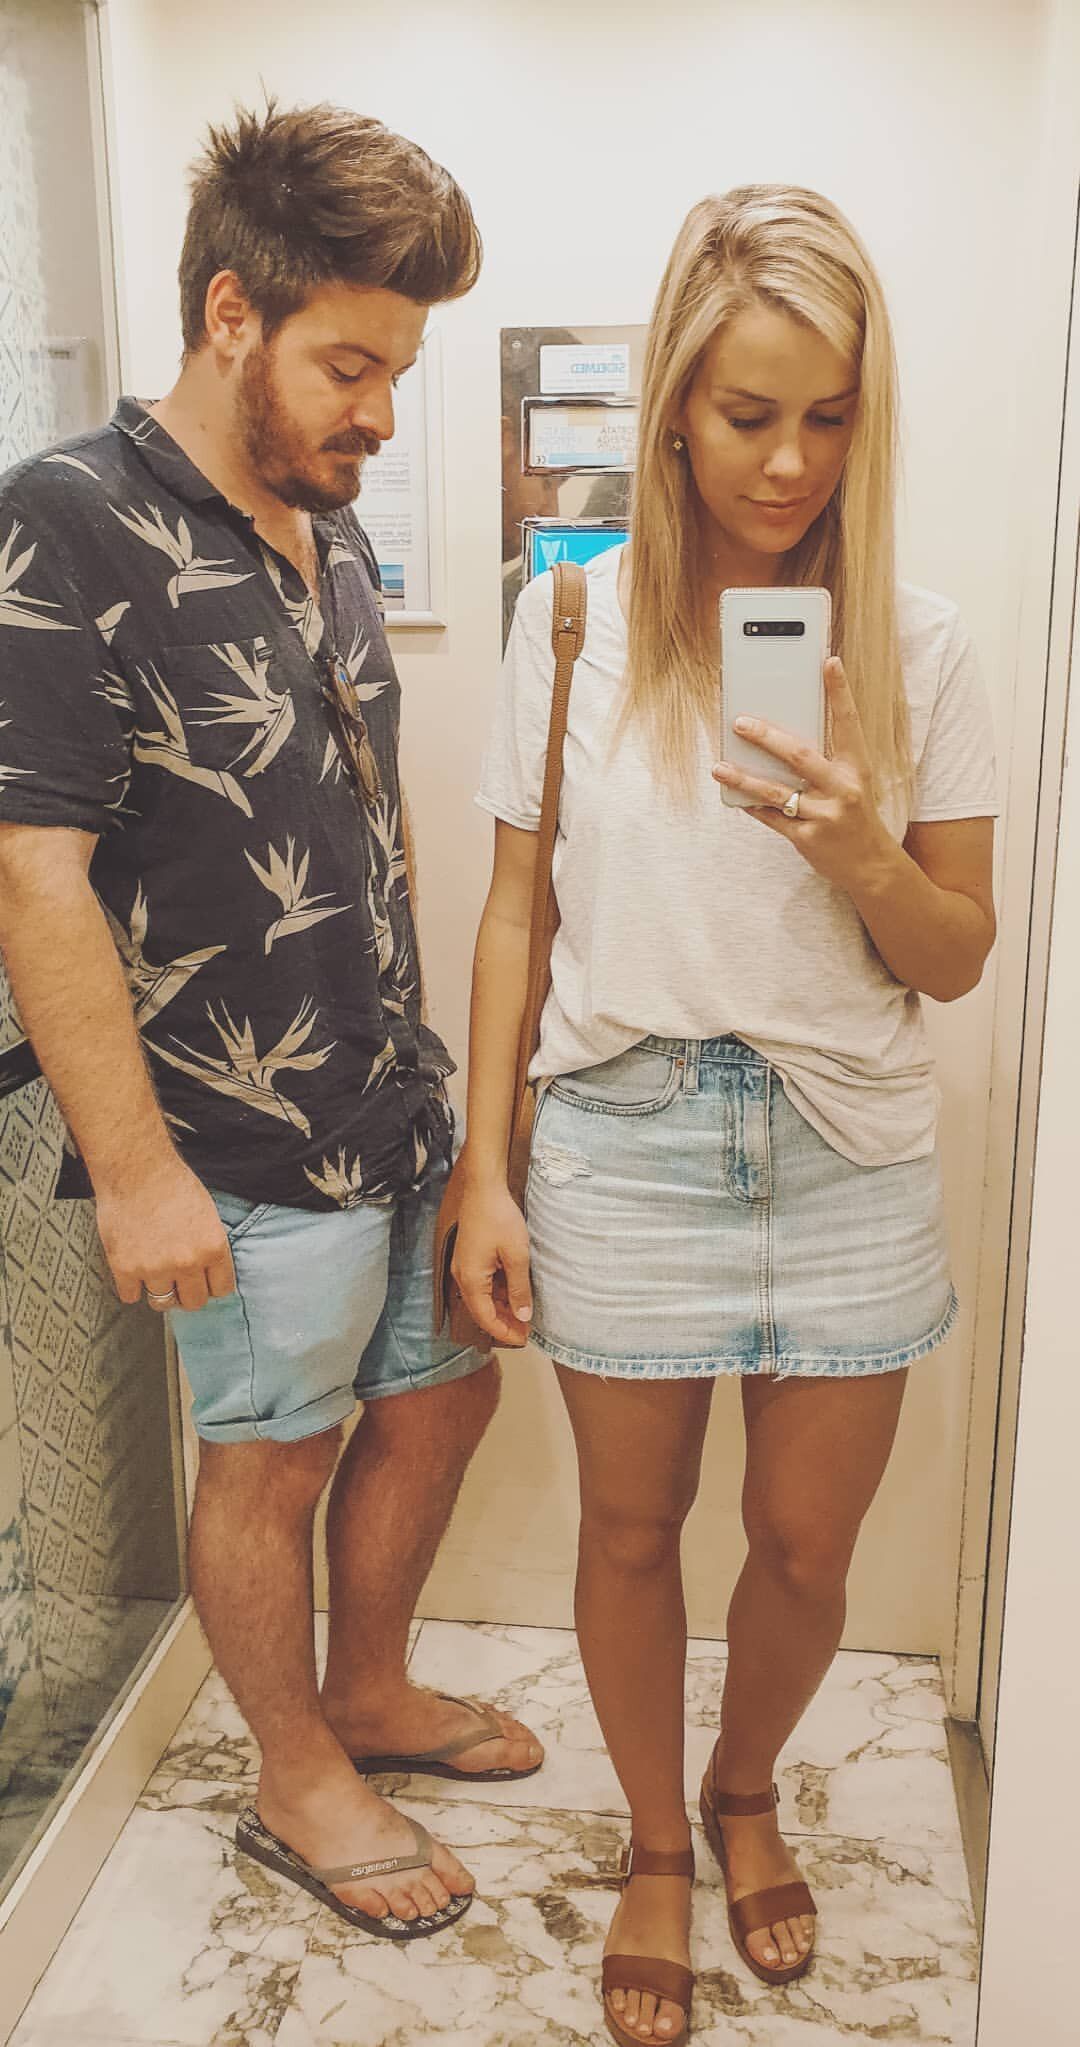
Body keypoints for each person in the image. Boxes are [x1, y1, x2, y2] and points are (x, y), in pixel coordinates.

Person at [454, 184, 997, 2042]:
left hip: (847, 1146)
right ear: (676, 401)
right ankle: (658, 1847)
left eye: (828, 416)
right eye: (748, 411)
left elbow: (955, 955)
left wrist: (859, 847)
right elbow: (514, 914)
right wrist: (485, 1175)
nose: (786, 462)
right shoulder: (571, 622)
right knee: (630, 1534)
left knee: (804, 1550)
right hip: (624, 1134)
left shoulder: (921, 644)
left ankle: (746, 1791)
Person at [0, 101, 542, 1944]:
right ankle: (295, 1775)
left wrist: (452, 1105)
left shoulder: (325, 526)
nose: (380, 412)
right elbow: (34, 874)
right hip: (230, 1134)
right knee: (274, 1456)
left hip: (387, 1098)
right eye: (350, 366)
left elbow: (364, 826)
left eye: (398, 371)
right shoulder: (67, 519)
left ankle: (368, 1691)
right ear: (231, 314)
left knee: (441, 1398)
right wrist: (138, 1174)